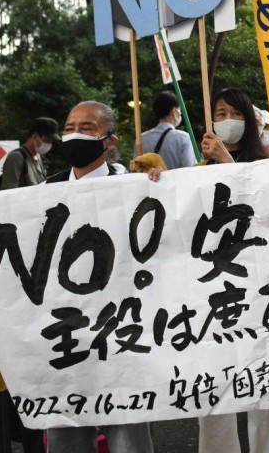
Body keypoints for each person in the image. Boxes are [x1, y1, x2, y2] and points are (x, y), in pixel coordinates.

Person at [44, 101, 155, 452]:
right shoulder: (45, 190)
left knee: (126, 425)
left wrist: (161, 187)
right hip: (66, 325)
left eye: (87, 128)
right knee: (67, 425)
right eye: (69, 127)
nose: (75, 134)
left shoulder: (133, 186)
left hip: (120, 323)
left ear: (109, 141)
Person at [196, 88, 269, 453]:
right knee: (213, 385)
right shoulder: (195, 173)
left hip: (259, 289)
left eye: (235, 113)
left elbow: (265, 213)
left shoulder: (267, 164)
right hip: (212, 292)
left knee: (264, 383)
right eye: (220, 113)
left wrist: (226, 162)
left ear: (249, 119)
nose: (228, 120)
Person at [142, 91, 196, 170]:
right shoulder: (183, 137)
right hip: (177, 178)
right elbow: (190, 169)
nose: (180, 113)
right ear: (174, 111)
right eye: (179, 109)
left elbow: (135, 168)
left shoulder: (142, 139)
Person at [1, 117, 60, 189]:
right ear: (35, 136)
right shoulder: (16, 157)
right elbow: (8, 190)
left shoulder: (40, 157)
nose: (49, 144)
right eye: (46, 141)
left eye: (51, 142)